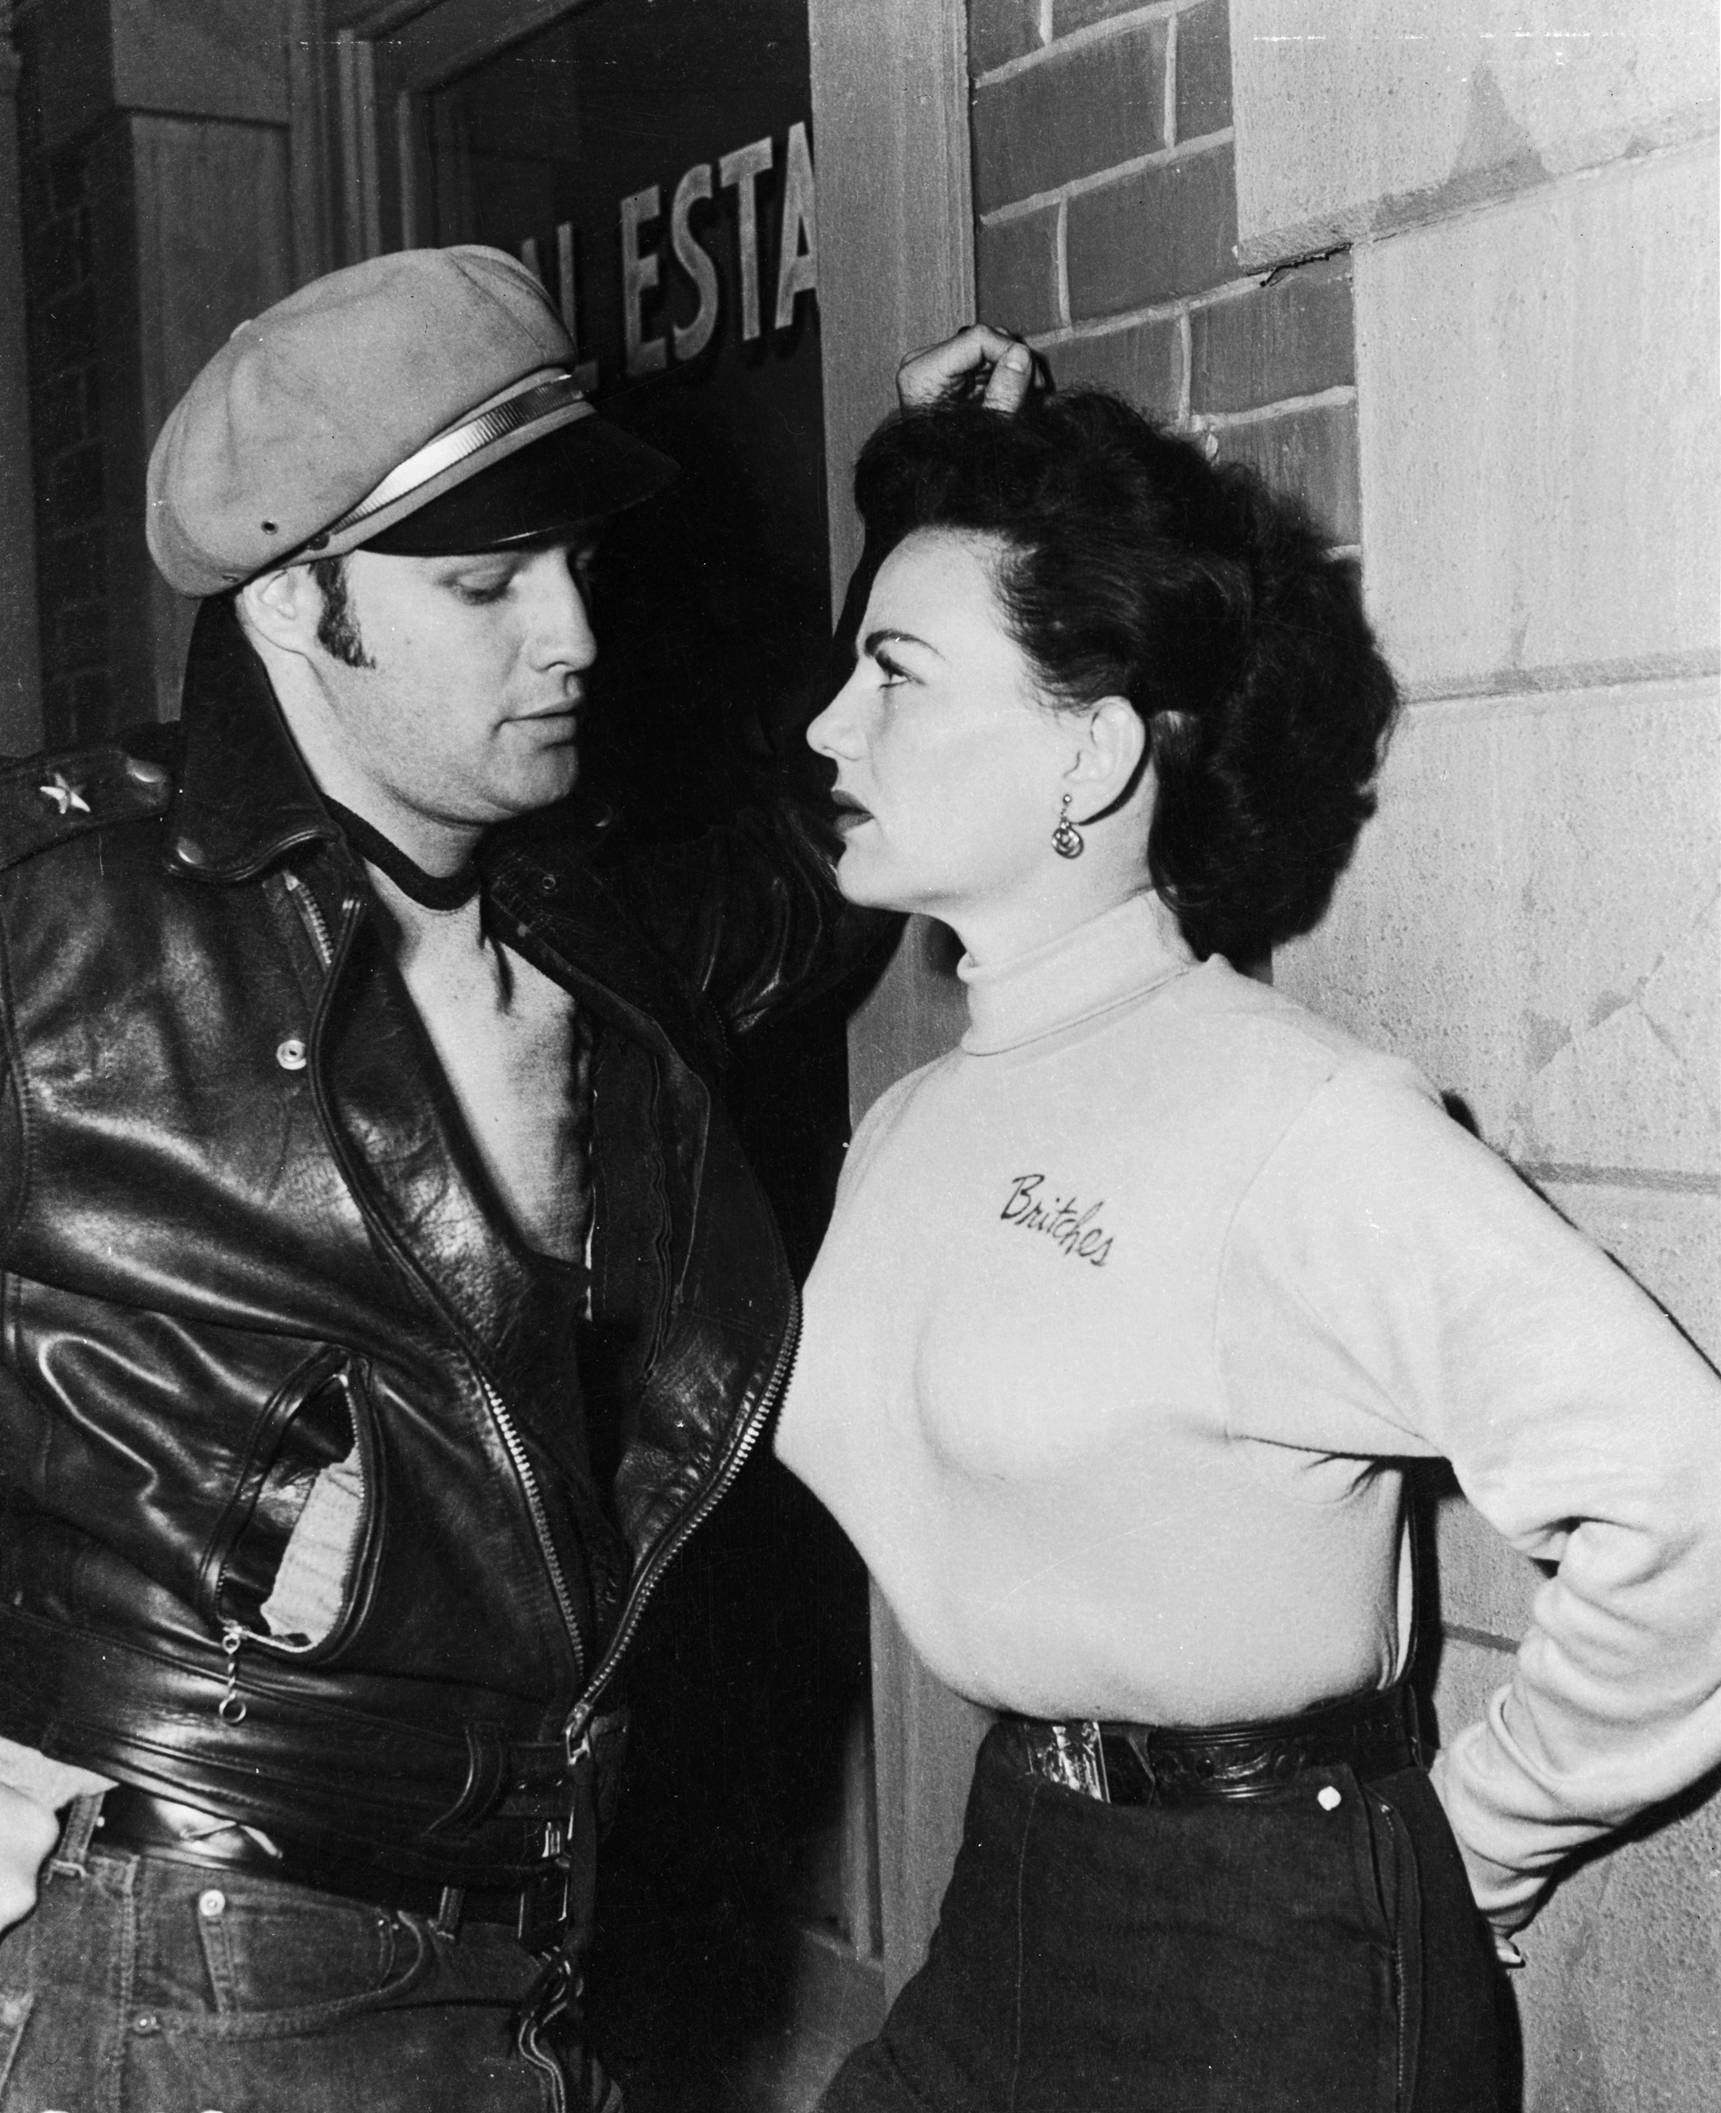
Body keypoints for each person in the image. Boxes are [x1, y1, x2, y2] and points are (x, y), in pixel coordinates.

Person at [0, 243, 1029, 2109]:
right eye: (483, 585)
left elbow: (809, 857)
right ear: (296, 603)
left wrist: (927, 500)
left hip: (529, 1950)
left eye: (572, 566)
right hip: (194, 1956)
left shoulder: (582, 921)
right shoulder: (60, 922)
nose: (570, 635)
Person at [775, 387, 1721, 2112]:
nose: (830, 725)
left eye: (894, 675)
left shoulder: (1296, 1120)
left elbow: (1690, 1492)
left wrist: (1470, 1837)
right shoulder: (908, 1129)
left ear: (1090, 756)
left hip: (1273, 1940)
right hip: (1014, 1882)